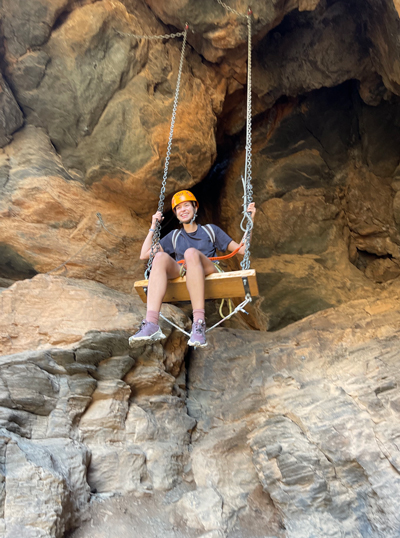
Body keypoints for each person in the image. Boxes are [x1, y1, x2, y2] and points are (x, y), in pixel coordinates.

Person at [129, 190, 256, 348]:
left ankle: (199, 323)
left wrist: (250, 220)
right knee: (159, 257)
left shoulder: (211, 231)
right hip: (184, 271)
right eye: (179, 208)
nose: (183, 210)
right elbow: (144, 254)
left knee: (190, 253)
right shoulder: (174, 236)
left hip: (209, 268)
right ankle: (151, 324)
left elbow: (241, 249)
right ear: (176, 213)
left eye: (186, 205)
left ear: (195, 208)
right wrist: (153, 227)